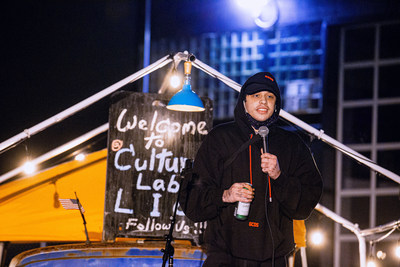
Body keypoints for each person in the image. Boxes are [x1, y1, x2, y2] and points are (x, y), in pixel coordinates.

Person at [180, 72, 323, 266]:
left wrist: (279, 177)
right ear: (244, 102)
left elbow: (307, 201)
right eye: (256, 95)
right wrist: (225, 195)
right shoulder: (219, 138)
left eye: (270, 96)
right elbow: (192, 201)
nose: (263, 101)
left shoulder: (292, 144)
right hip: (224, 257)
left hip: (273, 259)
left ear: (276, 105)